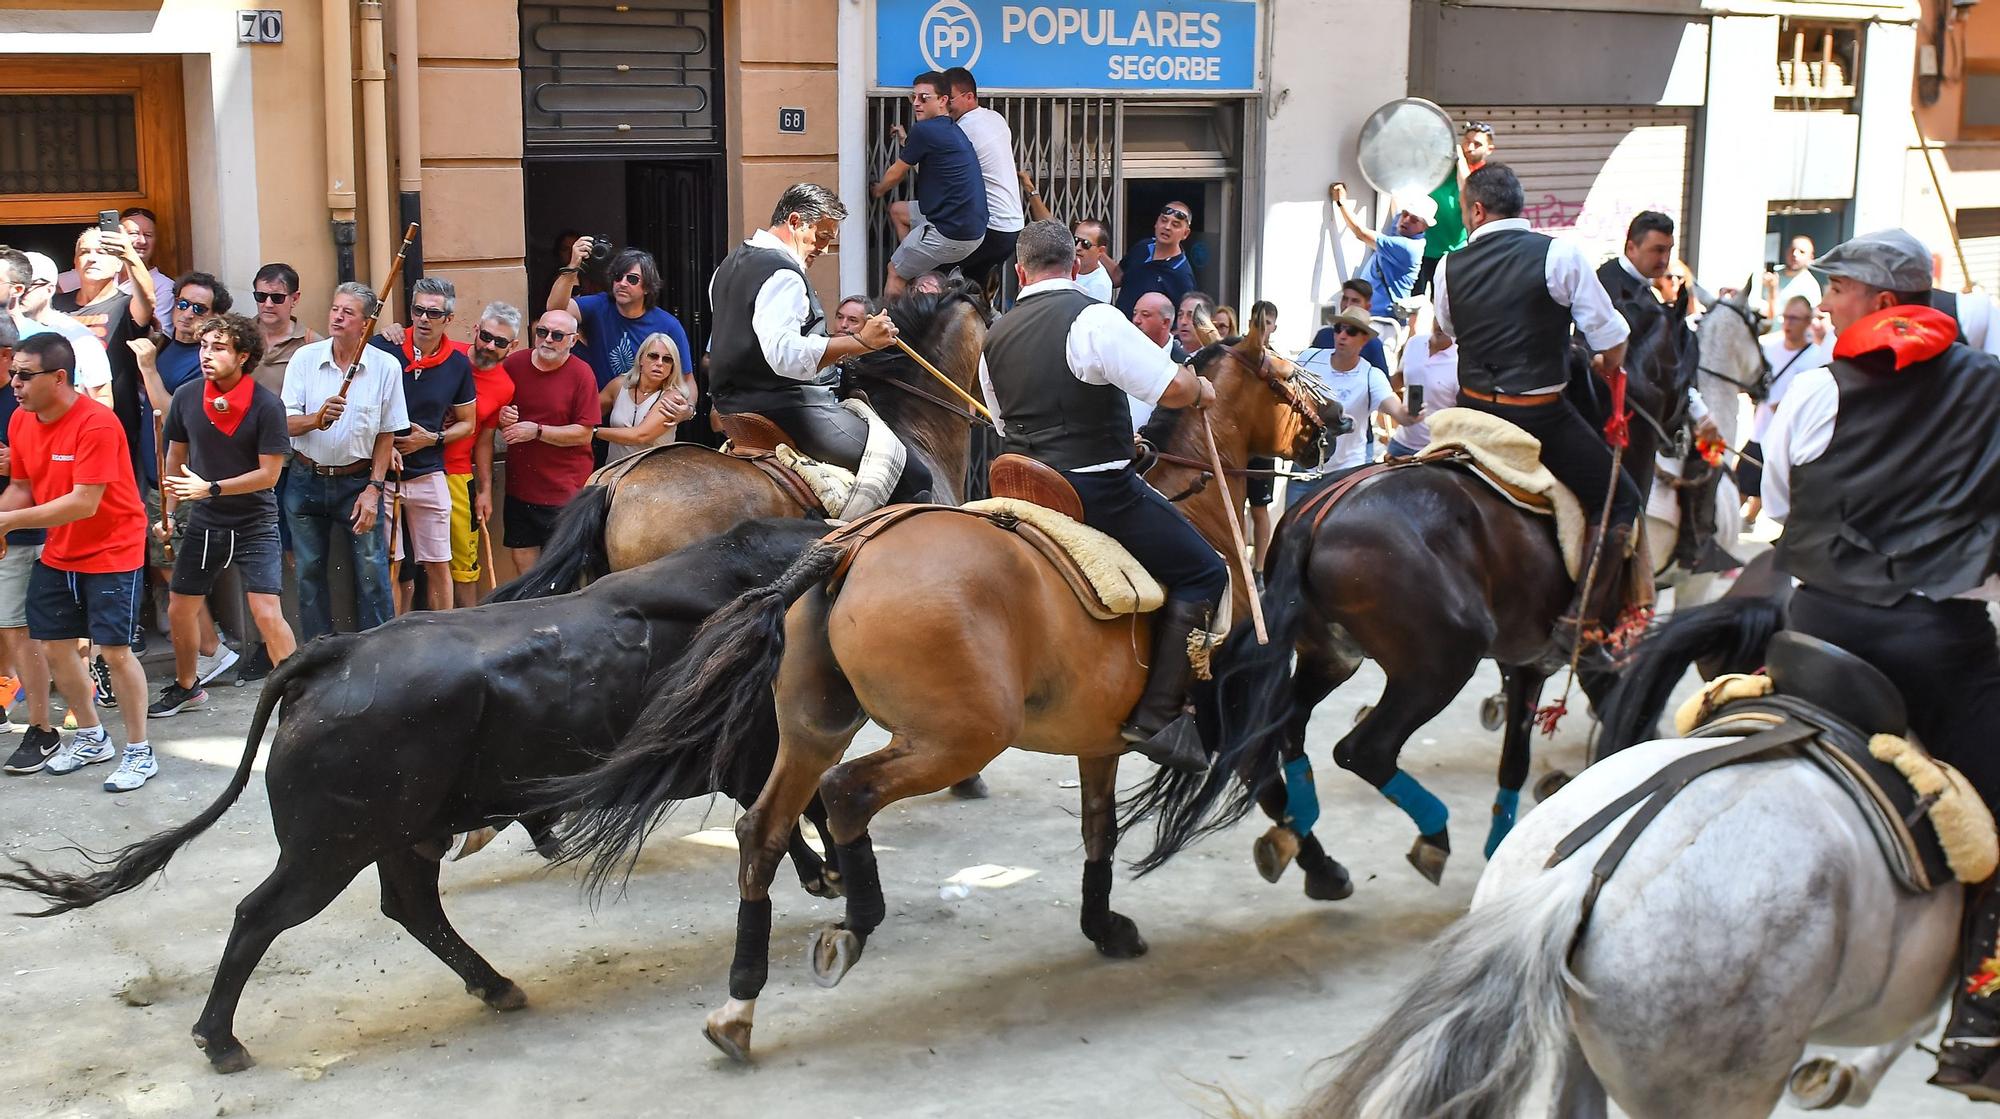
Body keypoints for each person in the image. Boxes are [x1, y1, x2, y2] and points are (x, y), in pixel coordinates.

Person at [1752, 229, 2000, 1102]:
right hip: (1938, 643)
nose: (1829, 301)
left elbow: (1781, 500)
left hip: (1818, 628)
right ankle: (1984, 1017)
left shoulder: (1818, 384)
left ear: (1889, 301)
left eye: (1844, 288)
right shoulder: (1993, 391)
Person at [977, 219, 1225, 773]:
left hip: (1016, 484)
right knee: (1206, 572)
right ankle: (1158, 716)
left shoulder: (994, 334)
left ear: (1019, 272)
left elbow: (1000, 420)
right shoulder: (1094, 318)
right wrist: (1202, 387)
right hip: (1092, 490)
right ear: (1074, 267)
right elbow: (1174, 389)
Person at [1433, 162, 1636, 666]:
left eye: (1464, 210)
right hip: (1537, 418)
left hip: (1470, 416)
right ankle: (1582, 618)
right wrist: (1605, 363)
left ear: (1477, 210)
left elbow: (1448, 330)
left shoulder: (1448, 267)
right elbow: (1612, 339)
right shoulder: (1560, 254)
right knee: (1622, 498)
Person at [706, 183, 932, 503]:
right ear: (796, 222)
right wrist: (860, 342)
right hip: (788, 408)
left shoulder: (727, 267)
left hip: (734, 405)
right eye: (823, 236)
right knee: (914, 475)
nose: (824, 249)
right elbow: (783, 355)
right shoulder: (783, 274)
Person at [0, 333, 155, 790]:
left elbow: (84, 503)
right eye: (13, 374)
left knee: (115, 652)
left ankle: (139, 751)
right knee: (53, 646)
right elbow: (24, 488)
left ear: (59, 377)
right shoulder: (22, 422)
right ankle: (91, 736)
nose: (15, 384)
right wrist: (4, 517)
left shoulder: (97, 424)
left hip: (113, 550)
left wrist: (5, 522)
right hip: (59, 551)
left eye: (25, 375)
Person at [148, 313, 296, 717]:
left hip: (255, 522)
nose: (206, 355)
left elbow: (269, 474)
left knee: (266, 610)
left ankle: (300, 692)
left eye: (218, 347)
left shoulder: (266, 405)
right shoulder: (186, 396)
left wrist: (211, 488)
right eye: (202, 346)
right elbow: (176, 456)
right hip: (206, 521)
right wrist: (170, 512)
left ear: (243, 356)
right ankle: (187, 685)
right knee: (180, 606)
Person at [282, 281, 407, 639]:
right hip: (305, 478)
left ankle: (378, 657)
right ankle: (318, 656)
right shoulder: (305, 359)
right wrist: (316, 419)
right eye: (335, 309)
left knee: (372, 573)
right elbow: (285, 422)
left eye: (348, 312)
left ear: (366, 323)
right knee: (308, 574)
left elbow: (388, 433)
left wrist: (374, 488)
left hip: (357, 482)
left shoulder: (385, 366)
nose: (337, 316)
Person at [371, 276, 475, 614]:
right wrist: (386, 449)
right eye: (418, 310)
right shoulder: (383, 349)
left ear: (449, 319)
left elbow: (468, 423)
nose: (424, 319)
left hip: (429, 471)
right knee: (392, 564)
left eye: (434, 313)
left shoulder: (458, 364)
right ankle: (391, 639)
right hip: (384, 473)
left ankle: (444, 637)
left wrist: (433, 438)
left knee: (438, 563)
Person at [1597, 212, 1719, 447]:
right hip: (1618, 425)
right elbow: (1661, 369)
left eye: (1668, 250)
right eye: (1657, 250)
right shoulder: (1612, 289)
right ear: (1631, 248)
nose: (1665, 259)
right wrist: (1700, 413)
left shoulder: (1638, 285)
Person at [53, 227, 156, 493]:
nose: (92, 258)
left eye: (102, 252)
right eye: (84, 252)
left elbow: (148, 302)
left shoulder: (125, 305)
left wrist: (131, 256)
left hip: (112, 421)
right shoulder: (56, 305)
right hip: (57, 424)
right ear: (74, 262)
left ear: (118, 262)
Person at [0, 316, 58, 776]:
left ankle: (43, 728)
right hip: (9, 526)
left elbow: (36, 482)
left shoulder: (26, 405)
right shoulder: (22, 410)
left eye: (24, 372)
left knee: (24, 631)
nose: (20, 382)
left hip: (28, 536)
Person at [873, 72, 988, 300]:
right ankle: (915, 262)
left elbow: (896, 173)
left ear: (943, 100)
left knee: (894, 272)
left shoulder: (925, 130)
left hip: (950, 231)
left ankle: (894, 329)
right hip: (972, 228)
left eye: (924, 98)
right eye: (912, 98)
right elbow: (929, 159)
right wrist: (906, 139)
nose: (916, 103)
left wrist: (878, 190)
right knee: (898, 211)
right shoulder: (949, 129)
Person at [498, 309, 596, 571]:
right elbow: (493, 411)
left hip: (563, 491)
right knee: (522, 562)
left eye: (557, 335)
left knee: (560, 570)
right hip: (520, 486)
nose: (547, 340)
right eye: (542, 332)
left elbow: (584, 432)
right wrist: (502, 416)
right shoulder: (513, 364)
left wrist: (538, 431)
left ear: (573, 341)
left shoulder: (582, 373)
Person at [1289, 307, 1418, 480]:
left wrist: (1412, 413)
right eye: (1338, 328)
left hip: (1345, 473)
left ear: (1364, 339)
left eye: (1351, 331)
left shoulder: (1371, 376)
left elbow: (1399, 413)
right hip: (1303, 467)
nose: (1342, 335)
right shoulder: (1309, 358)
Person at [447, 303, 519, 607]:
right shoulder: (447, 351)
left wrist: (486, 490)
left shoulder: (505, 386)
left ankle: (465, 630)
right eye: (486, 336)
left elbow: (486, 440)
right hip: (415, 466)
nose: (489, 346)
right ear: (475, 330)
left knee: (465, 562)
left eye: (500, 342)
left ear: (512, 346)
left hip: (459, 472)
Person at [549, 241, 692, 393]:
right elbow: (555, 310)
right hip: (600, 408)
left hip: (647, 410)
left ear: (647, 287)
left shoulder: (668, 325)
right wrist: (573, 266)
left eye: (632, 279)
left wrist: (688, 409)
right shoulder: (599, 305)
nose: (622, 283)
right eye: (618, 277)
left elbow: (687, 380)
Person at [1737, 294, 1829, 523]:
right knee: (1740, 484)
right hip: (1760, 431)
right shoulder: (1768, 348)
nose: (1788, 324)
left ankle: (1752, 520)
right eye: (1786, 317)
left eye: (1795, 319)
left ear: (1808, 321)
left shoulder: (1816, 359)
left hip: (1792, 439)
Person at [940, 67, 1026, 289]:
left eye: (949, 99)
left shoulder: (963, 128)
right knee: (975, 290)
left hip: (990, 227)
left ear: (969, 97)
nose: (945, 105)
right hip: (1012, 225)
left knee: (932, 273)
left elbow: (940, 170)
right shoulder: (995, 117)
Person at [1332, 182, 1433, 356]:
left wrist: (1341, 202)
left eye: (1414, 219)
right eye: (1406, 214)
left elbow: (1360, 233)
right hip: (1369, 319)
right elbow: (1396, 208)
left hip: (1384, 325)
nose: (1406, 220)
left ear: (1425, 227)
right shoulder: (1404, 231)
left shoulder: (1408, 247)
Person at [4, 250, 112, 402]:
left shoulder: (78, 336)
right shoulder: (5, 330)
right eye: (15, 284)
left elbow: (103, 398)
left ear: (49, 289)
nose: (20, 293)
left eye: (28, 286)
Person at [57, 207, 174, 332]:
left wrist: (128, 255)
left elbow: (157, 329)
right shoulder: (93, 268)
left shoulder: (160, 287)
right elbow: (51, 283)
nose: (141, 241)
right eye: (133, 233)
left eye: (148, 235)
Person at [597, 331, 695, 464]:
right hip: (613, 476)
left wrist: (593, 432)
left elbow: (640, 435)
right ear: (641, 359)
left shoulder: (672, 397)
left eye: (667, 359)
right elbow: (588, 412)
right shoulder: (619, 385)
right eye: (653, 356)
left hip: (651, 480)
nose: (659, 363)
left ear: (672, 367)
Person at [1419, 121, 1495, 294]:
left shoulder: (1486, 175)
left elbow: (1467, 188)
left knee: (1448, 303)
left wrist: (1459, 157)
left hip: (1454, 251)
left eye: (1477, 144)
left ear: (1489, 149)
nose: (1470, 147)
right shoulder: (1445, 166)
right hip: (1425, 245)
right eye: (1467, 141)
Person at [1112, 201, 1197, 319]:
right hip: (1117, 329)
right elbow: (1117, 277)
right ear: (1156, 223)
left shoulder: (1181, 274)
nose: (1167, 227)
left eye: (1175, 224)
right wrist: (1096, 251)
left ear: (1185, 234)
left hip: (1145, 336)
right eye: (1164, 220)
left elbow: (1185, 320)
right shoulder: (1143, 247)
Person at [1387, 327, 1460, 458]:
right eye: (1437, 316)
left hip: (1436, 451)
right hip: (1400, 444)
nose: (1440, 324)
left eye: (1446, 319)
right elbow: (1400, 378)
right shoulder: (1414, 343)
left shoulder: (1461, 359)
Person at [248, 263, 320, 395]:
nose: (268, 304)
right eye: (261, 296)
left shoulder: (312, 344)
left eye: (277, 298)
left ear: (295, 299)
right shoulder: (240, 336)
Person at [1128, 292, 1189, 430]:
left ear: (1166, 322)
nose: (1136, 320)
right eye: (1135, 313)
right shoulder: (1122, 353)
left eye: (1145, 315)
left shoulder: (1184, 364)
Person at [1310, 279, 1390, 372]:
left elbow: (1383, 383)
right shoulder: (1324, 335)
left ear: (1367, 307)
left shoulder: (1373, 346)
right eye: (1345, 299)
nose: (1347, 305)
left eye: (1355, 301)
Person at [1765, 234, 1821, 322]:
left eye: (1801, 252)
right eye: (1792, 250)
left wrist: (1772, 290)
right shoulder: (1771, 273)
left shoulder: (1811, 287)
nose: (1795, 254)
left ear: (1810, 258)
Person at [1071, 220, 1115, 303]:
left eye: (1086, 244)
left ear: (1100, 251)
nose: (1078, 247)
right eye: (1075, 240)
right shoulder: (1064, 264)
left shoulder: (1100, 285)